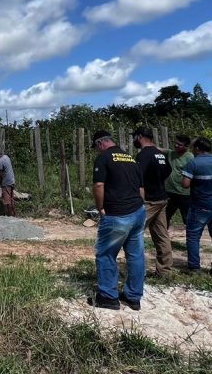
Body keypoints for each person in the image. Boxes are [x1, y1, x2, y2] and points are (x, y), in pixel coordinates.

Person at [89, 129, 145, 311]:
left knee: (106, 254)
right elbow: (141, 188)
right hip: (138, 211)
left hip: (117, 214)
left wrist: (100, 208)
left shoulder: (104, 158)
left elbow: (98, 185)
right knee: (135, 255)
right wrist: (138, 207)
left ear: (100, 143)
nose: (97, 151)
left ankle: (108, 297)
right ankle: (133, 297)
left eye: (96, 148)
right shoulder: (130, 158)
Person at [181, 137, 212, 276]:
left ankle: (194, 268)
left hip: (201, 206)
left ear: (197, 148)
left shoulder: (193, 163)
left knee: (193, 236)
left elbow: (185, 184)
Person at [132, 126, 173, 277]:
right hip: (162, 199)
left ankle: (136, 271)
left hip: (149, 201)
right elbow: (168, 171)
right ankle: (164, 271)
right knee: (162, 236)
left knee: (134, 234)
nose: (133, 140)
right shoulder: (160, 154)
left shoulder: (143, 155)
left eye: (134, 137)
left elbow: (137, 177)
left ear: (140, 136)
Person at [164, 134, 194, 228]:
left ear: (186, 146)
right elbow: (157, 148)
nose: (176, 146)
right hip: (170, 191)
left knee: (187, 218)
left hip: (184, 193)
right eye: (176, 143)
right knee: (166, 216)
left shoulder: (190, 157)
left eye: (179, 144)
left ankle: (192, 240)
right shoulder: (170, 153)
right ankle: (164, 240)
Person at [0, 149, 16, 216]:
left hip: (6, 183)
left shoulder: (0, 162)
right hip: (12, 181)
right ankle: (14, 215)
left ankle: (10, 217)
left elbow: (0, 175)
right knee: (11, 199)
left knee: (7, 202)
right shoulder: (6, 157)